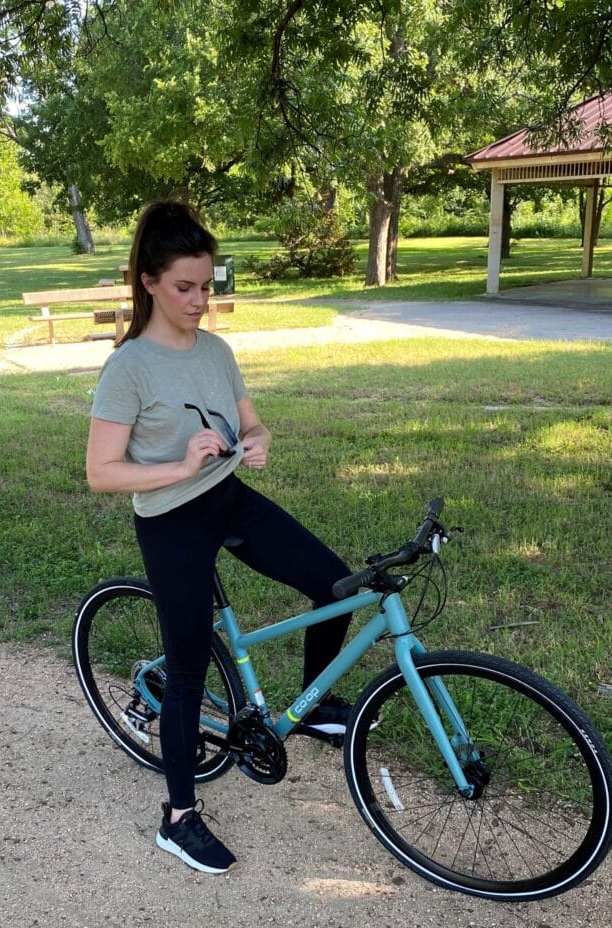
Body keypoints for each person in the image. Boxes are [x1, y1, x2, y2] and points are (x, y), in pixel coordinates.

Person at [85, 199, 353, 874]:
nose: (200, 300)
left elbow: (254, 425)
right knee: (187, 673)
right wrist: (178, 464)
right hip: (171, 521)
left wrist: (257, 442)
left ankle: (316, 706)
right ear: (148, 281)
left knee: (334, 583)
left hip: (228, 498)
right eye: (185, 287)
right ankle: (178, 819)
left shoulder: (216, 351)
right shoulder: (130, 368)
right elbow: (99, 472)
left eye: (207, 286)